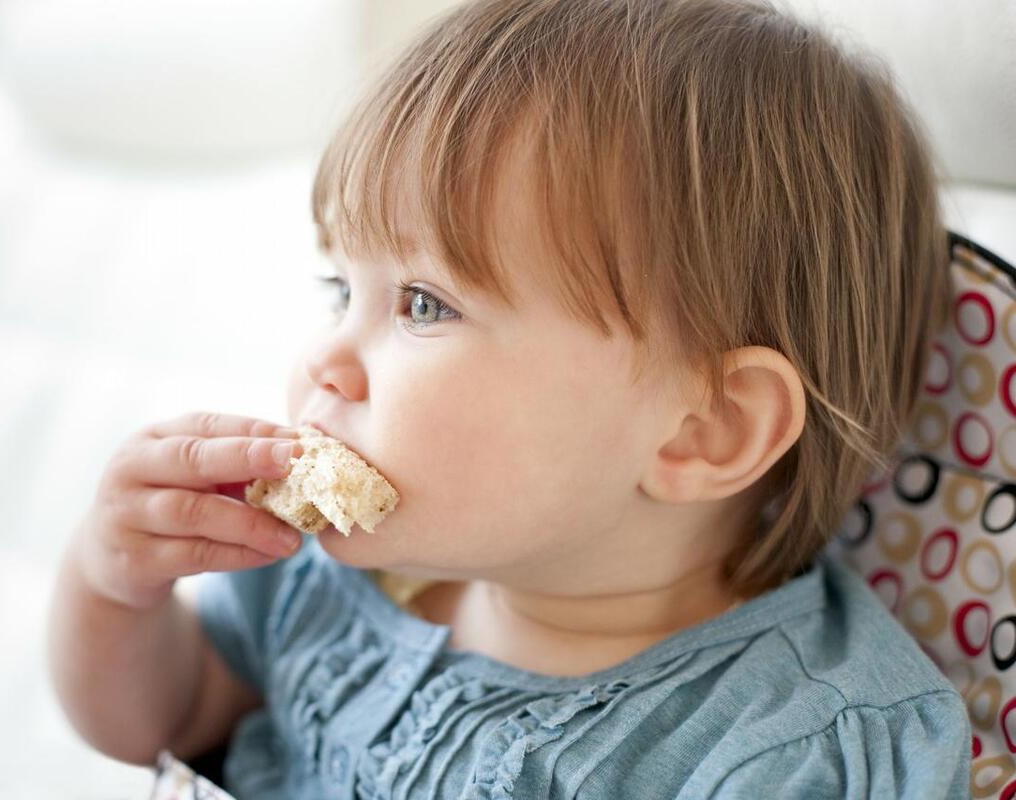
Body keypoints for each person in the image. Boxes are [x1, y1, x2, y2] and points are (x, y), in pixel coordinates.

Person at [48, 0, 973, 796]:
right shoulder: (323, 581)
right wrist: (112, 588)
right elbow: (167, 718)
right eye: (340, 290)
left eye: (423, 303)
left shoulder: (792, 749)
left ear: (704, 429)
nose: (325, 360)